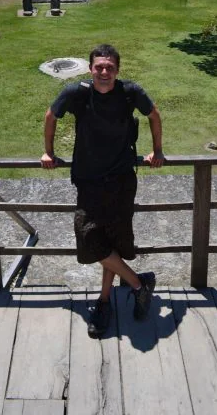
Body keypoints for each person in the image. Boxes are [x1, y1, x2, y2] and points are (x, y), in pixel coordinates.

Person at [41, 43, 164, 338]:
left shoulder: (130, 92)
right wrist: (48, 152)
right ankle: (139, 284)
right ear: (90, 68)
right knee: (88, 237)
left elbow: (154, 115)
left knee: (111, 243)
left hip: (121, 180)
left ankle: (105, 302)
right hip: (89, 181)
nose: (104, 72)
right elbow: (50, 116)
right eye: (99, 67)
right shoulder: (77, 93)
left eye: (110, 67)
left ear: (117, 70)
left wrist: (157, 150)